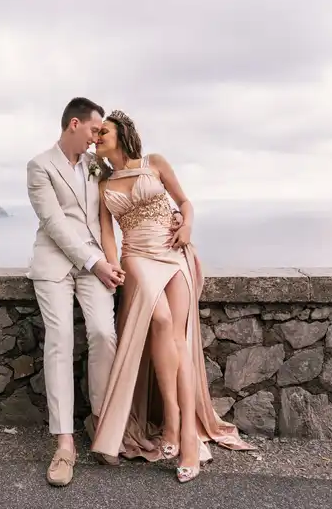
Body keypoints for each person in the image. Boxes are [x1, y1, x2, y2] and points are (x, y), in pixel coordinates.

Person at [89, 109, 256, 483]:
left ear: (123, 134)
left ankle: (181, 436)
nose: (98, 136)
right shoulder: (104, 184)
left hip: (172, 251)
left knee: (177, 338)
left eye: (105, 131)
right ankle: (174, 420)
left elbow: (186, 202)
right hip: (136, 258)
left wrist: (187, 227)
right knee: (160, 320)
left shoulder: (155, 163)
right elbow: (107, 234)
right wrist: (113, 265)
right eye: (96, 133)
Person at [26, 97, 126, 487]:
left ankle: (101, 420)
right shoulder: (39, 166)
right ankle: (64, 443)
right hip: (54, 263)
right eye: (93, 130)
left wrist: (110, 257)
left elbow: (109, 211)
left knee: (104, 333)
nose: (96, 137)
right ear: (73, 124)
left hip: (95, 263)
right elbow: (54, 223)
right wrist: (95, 262)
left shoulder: (96, 166)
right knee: (61, 339)